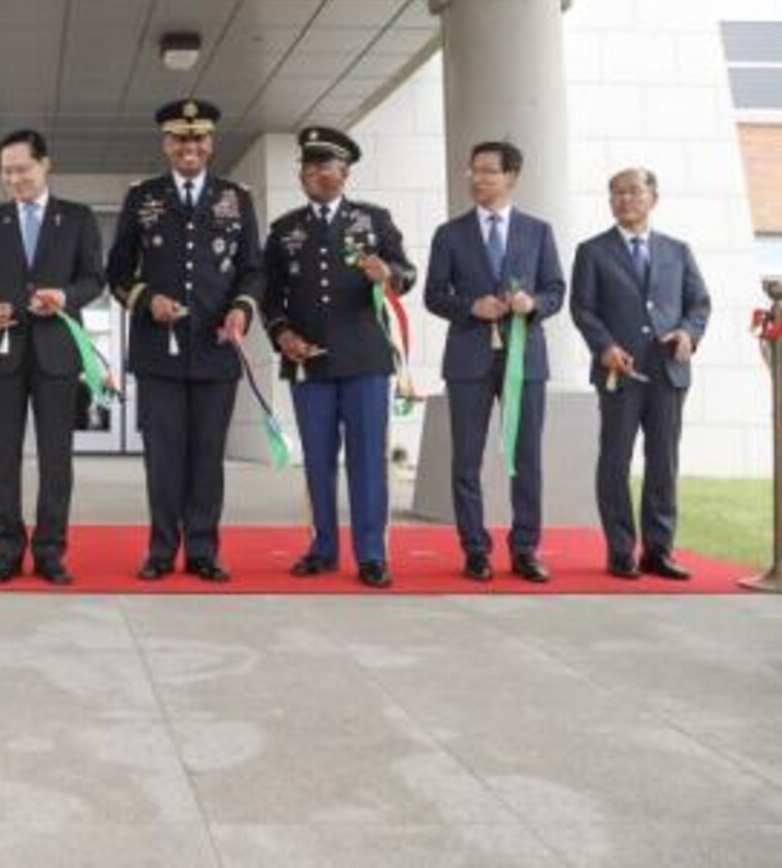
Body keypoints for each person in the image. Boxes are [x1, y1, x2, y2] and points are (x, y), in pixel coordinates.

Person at [105, 99, 264, 583]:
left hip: (217, 350)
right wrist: (146, 298)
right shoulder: (142, 197)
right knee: (164, 456)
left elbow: (253, 271)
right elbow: (116, 274)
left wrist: (241, 309)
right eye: (179, 138)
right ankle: (159, 550)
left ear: (210, 144)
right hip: (159, 352)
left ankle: (203, 550)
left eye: (197, 139)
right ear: (166, 144)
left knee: (207, 455)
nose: (189, 147)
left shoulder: (236, 198)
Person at [263, 127, 416, 589]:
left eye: (322, 165)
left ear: (344, 171)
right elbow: (269, 296)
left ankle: (371, 554)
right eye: (306, 165)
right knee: (317, 460)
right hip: (309, 362)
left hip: (365, 361)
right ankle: (323, 547)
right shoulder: (285, 229)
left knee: (368, 459)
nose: (312, 172)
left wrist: (387, 272)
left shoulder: (374, 220)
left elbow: (407, 274)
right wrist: (280, 333)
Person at [0, 128, 104, 585]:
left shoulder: (78, 219)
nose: (14, 179)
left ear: (46, 165)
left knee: (56, 458)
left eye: (22, 169)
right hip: (4, 354)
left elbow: (94, 280)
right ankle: (6, 549)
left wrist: (64, 295)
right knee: (2, 458)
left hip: (58, 354)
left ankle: (50, 552)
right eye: (6, 172)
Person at [424, 140, 566, 583]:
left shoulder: (538, 231)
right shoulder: (449, 234)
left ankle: (525, 549)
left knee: (528, 458)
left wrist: (531, 304)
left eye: (488, 171)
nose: (477, 178)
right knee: (465, 460)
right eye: (473, 170)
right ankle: (475, 550)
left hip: (526, 361)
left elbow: (556, 290)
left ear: (511, 177)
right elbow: (433, 295)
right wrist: (471, 307)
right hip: (468, 359)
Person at [570, 167, 711, 580]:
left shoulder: (677, 250)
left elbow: (699, 304)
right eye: (615, 193)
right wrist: (605, 347)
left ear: (653, 197)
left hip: (668, 372)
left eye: (633, 191)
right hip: (620, 373)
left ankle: (659, 550)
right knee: (615, 461)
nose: (624, 200)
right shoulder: (592, 251)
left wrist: (689, 333)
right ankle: (620, 551)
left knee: (663, 462)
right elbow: (584, 309)